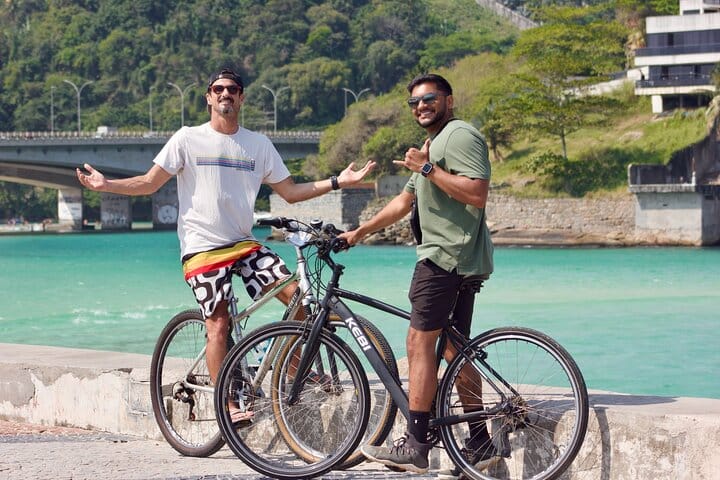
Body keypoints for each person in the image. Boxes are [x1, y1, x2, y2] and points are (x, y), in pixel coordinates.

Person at [76, 68, 375, 422]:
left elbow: (291, 192)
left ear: (241, 97)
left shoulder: (258, 145)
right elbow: (149, 183)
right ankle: (227, 405)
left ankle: (292, 372)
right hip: (201, 248)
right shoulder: (187, 139)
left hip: (244, 244)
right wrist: (106, 185)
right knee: (218, 324)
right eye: (218, 89)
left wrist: (338, 181)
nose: (225, 94)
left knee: (299, 298)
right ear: (208, 97)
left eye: (232, 89)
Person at [341, 73, 495, 477]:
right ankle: (480, 440)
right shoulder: (435, 143)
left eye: (429, 98)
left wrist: (426, 167)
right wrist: (358, 232)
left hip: (444, 257)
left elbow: (477, 193)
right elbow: (404, 201)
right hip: (458, 258)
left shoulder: (459, 135)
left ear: (449, 100)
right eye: (415, 102)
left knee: (418, 343)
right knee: (453, 350)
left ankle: (415, 443)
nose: (421, 106)